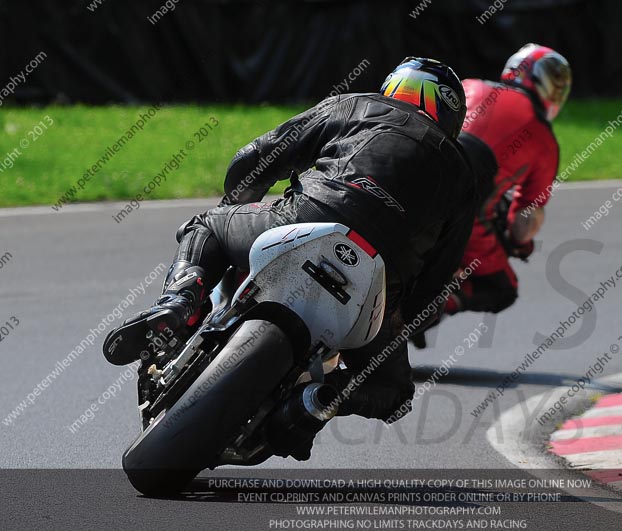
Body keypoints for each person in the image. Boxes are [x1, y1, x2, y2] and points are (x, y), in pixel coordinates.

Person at [102, 57, 480, 459]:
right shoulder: (462, 175)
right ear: (451, 114)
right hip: (378, 277)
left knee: (207, 226)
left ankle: (179, 302)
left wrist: (239, 203)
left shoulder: (358, 104)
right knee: (394, 392)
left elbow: (258, 156)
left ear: (395, 86)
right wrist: (393, 316)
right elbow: (437, 281)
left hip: (305, 218)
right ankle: (320, 400)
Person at [444, 43, 571, 317]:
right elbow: (523, 223)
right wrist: (519, 242)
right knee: (502, 289)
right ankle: (435, 305)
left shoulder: (468, 86)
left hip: (405, 182)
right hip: (464, 220)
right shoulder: (545, 139)